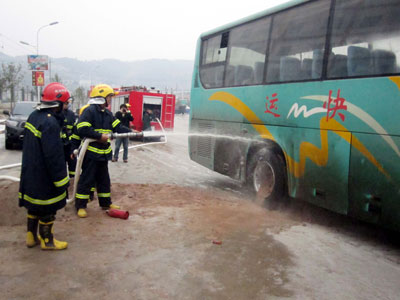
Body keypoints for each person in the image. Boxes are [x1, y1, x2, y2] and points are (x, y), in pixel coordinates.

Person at [19, 82, 70, 250]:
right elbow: (54, 157)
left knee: (33, 207)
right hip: (44, 177)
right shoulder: (50, 124)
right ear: (58, 103)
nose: (66, 106)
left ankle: (31, 237)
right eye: (66, 103)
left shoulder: (34, 116)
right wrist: (62, 181)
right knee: (48, 209)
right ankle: (47, 241)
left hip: (31, 174)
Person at [75, 84, 132, 218]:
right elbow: (82, 128)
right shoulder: (89, 112)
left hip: (103, 154)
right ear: (101, 98)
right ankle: (80, 206)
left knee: (104, 180)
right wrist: (99, 136)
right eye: (109, 97)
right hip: (90, 153)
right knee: (86, 180)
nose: (111, 100)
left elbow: (118, 127)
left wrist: (133, 132)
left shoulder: (107, 114)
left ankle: (106, 203)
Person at [62, 97, 77, 179]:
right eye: (65, 103)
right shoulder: (57, 114)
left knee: (73, 163)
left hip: (70, 144)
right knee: (61, 165)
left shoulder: (71, 114)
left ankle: (73, 179)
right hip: (61, 145)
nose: (66, 105)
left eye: (67, 103)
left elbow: (74, 129)